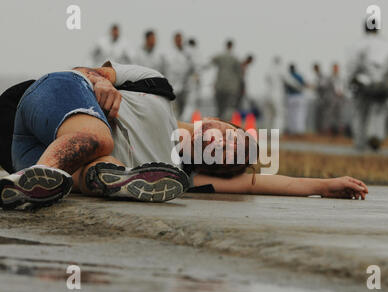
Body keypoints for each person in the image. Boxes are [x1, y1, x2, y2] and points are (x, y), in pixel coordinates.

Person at [1, 62, 368, 209]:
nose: (221, 146)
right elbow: (81, 70)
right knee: (101, 140)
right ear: (217, 120)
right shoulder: (158, 87)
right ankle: (32, 182)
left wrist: (325, 184)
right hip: (44, 99)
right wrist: (98, 82)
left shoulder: (176, 175)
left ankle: (58, 178)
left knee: (96, 171)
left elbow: (258, 183)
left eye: (227, 156)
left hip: (22, 148)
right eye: (229, 136)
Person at [347, 23, 388, 151]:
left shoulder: (359, 44)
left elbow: (352, 65)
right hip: (382, 85)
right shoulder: (387, 45)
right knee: (378, 113)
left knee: (360, 114)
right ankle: (376, 136)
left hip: (363, 83)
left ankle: (360, 142)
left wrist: (350, 82)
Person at [211, 40, 242, 120]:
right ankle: (226, 122)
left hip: (220, 86)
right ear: (232, 46)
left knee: (220, 108)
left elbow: (212, 60)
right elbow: (239, 73)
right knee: (228, 107)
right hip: (231, 87)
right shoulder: (235, 58)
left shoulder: (220, 56)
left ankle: (220, 122)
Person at [165, 32, 193, 117]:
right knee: (174, 110)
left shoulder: (187, 53)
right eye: (177, 40)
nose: (179, 41)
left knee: (186, 109)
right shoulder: (169, 54)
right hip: (173, 86)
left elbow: (192, 67)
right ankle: (176, 128)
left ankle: (186, 126)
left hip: (186, 86)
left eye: (180, 39)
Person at [180, 38, 203, 122]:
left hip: (184, 83)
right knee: (190, 105)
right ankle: (185, 122)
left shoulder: (184, 51)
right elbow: (197, 67)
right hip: (192, 82)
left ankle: (182, 122)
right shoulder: (195, 52)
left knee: (184, 106)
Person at [284, 63, 308, 134]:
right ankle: (299, 130)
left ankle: (292, 130)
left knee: (291, 114)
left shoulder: (288, 77)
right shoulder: (299, 76)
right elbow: (304, 84)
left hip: (290, 97)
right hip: (299, 96)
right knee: (300, 114)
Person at [264, 56, 286, 133]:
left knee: (268, 115)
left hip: (267, 94)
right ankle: (276, 133)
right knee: (279, 114)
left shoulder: (269, 70)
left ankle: (266, 133)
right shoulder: (280, 70)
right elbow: (289, 80)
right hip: (276, 94)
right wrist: (301, 86)